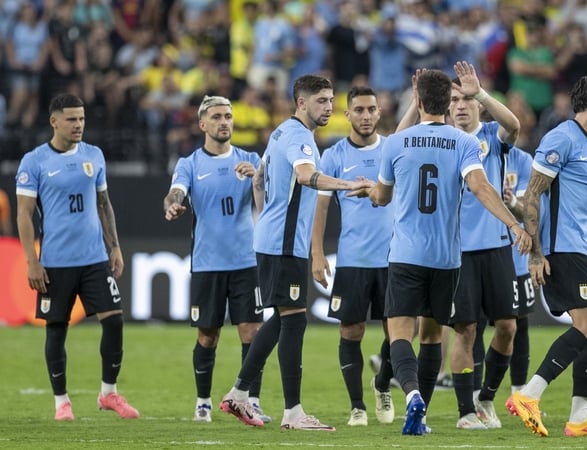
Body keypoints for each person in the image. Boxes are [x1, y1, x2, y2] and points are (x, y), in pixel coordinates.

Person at [356, 69, 531, 435]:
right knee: (435, 334)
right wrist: (514, 224)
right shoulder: (463, 143)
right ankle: (451, 406)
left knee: (401, 334)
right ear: (446, 105)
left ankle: (412, 395)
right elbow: (481, 188)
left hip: (405, 254)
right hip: (449, 259)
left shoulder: (395, 144)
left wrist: (371, 192)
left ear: (417, 101)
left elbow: (382, 196)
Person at [218, 74, 371, 430]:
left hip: (276, 241)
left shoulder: (281, 132)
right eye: (321, 101)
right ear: (301, 102)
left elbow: (260, 179)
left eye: (331, 100)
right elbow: (306, 176)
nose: (329, 107)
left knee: (286, 318)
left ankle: (240, 393)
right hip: (283, 243)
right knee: (294, 319)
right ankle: (292, 412)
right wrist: (350, 184)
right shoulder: (300, 137)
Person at [507, 75, 587, 438]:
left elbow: (577, 210)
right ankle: (529, 395)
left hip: (581, 246)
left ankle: (580, 417)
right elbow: (532, 196)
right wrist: (537, 253)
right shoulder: (561, 138)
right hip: (560, 249)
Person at [15, 93, 139, 421]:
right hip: (55, 262)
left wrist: (114, 246)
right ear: (54, 121)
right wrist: (32, 260)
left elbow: (103, 203)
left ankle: (109, 393)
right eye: (71, 119)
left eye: (82, 118)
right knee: (56, 329)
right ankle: (61, 402)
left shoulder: (94, 156)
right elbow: (24, 215)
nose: (79, 125)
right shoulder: (34, 161)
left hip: (94, 258)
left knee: (114, 320)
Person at [415, 60, 523, 430]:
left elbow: (515, 125)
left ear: (477, 103)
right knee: (465, 330)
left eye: (466, 99)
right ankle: (465, 411)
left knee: (508, 327)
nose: (460, 105)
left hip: (495, 246)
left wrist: (482, 92)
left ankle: (487, 398)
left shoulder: (492, 135)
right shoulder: (440, 139)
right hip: (456, 252)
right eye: (455, 100)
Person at [162, 95, 269, 423]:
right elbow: (175, 191)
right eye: (218, 116)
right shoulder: (190, 163)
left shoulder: (250, 159)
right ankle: (204, 402)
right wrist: (173, 203)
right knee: (208, 335)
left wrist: (258, 179)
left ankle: (251, 399)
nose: (225, 122)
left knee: (251, 332)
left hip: (246, 262)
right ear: (203, 124)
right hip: (208, 263)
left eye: (228, 116)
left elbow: (268, 206)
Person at [310, 86, 396, 427]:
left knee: (399, 331)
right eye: (358, 110)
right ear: (348, 115)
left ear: (379, 112)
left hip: (393, 258)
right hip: (353, 259)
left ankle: (382, 384)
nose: (365, 115)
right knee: (351, 331)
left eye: (371, 109)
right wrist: (317, 253)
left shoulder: (392, 148)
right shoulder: (333, 156)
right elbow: (321, 208)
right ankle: (357, 406)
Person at [500, 146, 536, 395]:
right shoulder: (474, 152)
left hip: (517, 256)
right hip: (482, 254)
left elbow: (527, 209)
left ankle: (519, 392)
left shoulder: (523, 159)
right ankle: (475, 398)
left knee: (520, 325)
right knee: (473, 326)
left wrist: (511, 200)